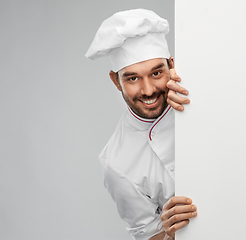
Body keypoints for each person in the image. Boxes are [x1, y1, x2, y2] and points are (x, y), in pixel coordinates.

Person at [85, 9, 197, 240]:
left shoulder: (204, 98)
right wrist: (170, 233)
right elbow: (148, 236)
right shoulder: (117, 162)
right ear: (115, 81)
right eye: (133, 78)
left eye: (157, 73)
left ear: (172, 65)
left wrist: (197, 104)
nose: (148, 91)